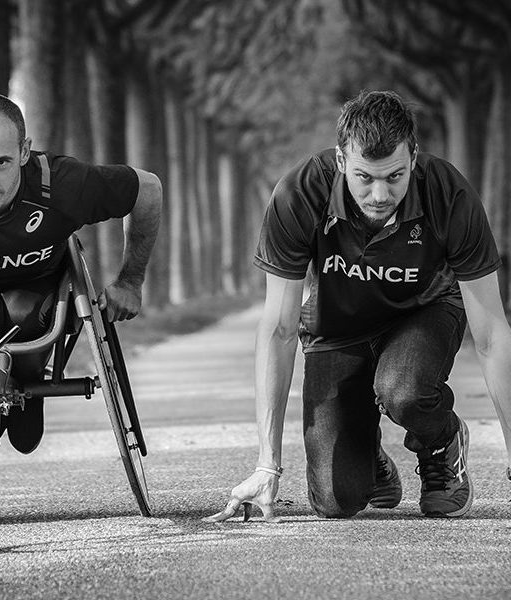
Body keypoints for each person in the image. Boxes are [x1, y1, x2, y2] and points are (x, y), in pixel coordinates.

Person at [206, 90, 511, 522]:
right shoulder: (298, 194)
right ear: (341, 159)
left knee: (402, 391)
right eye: (365, 177)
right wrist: (266, 464)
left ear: (414, 157)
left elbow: (493, 334)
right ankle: (370, 459)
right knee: (336, 501)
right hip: (338, 328)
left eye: (395, 177)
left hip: (423, 312)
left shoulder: (449, 193)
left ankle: (441, 442)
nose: (380, 194)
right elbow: (278, 328)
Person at [0, 92, 162, 454]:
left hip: (39, 288)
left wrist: (130, 280)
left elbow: (148, 189)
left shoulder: (61, 184)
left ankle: (28, 388)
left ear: (24, 152)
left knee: (18, 312)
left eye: (1, 162)